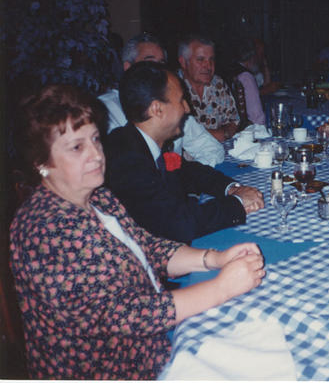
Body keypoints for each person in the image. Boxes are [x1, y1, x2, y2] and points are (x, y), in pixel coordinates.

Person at [10, 84, 265, 379]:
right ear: (42, 162)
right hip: (113, 369)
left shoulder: (98, 197)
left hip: (152, 347)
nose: (96, 155)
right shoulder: (44, 231)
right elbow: (125, 315)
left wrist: (214, 258)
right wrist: (222, 287)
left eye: (95, 139)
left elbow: (147, 248)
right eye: (77, 147)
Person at [104, 61, 264, 244]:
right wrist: (237, 203)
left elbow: (187, 171)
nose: (187, 108)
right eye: (181, 100)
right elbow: (178, 222)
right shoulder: (125, 158)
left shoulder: (149, 143)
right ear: (157, 109)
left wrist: (232, 188)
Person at [98, 33, 225, 167]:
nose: (158, 70)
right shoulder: (105, 110)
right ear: (128, 67)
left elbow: (211, 149)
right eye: (149, 62)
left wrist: (183, 174)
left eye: (161, 63)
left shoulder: (173, 105)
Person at [178, 34, 240, 142]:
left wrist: (224, 133)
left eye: (211, 59)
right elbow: (179, 134)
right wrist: (218, 135)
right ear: (183, 62)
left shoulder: (218, 84)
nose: (208, 66)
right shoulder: (172, 88)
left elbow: (234, 121)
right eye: (200, 60)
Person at [225, 38, 266, 127]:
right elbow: (257, 118)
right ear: (253, 57)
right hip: (246, 129)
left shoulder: (230, 70)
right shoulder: (246, 77)